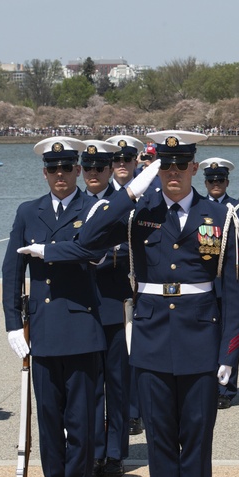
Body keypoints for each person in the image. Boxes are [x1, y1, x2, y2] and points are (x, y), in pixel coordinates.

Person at [79, 130, 239, 477]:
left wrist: (229, 355)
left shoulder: (221, 216)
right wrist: (130, 191)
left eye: (180, 165)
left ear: (194, 167)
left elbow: (234, 292)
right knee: (159, 439)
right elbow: (89, 236)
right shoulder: (141, 213)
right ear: (157, 169)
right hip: (153, 339)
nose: (173, 173)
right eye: (165, 166)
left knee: (194, 438)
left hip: (200, 339)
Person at [4, 137, 107, 477]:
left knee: (79, 415)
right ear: (44, 172)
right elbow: (12, 270)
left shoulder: (94, 207)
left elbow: (98, 252)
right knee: (48, 415)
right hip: (43, 327)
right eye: (53, 169)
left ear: (78, 171)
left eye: (67, 168)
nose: (60, 175)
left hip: (80, 324)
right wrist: (13, 323)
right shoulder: (28, 212)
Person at [82, 140, 131, 477]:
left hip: (114, 300)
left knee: (116, 382)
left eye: (100, 168)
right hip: (82, 304)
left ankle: (115, 451)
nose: (93, 174)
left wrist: (107, 252)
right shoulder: (77, 204)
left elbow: (135, 243)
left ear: (111, 168)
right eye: (88, 168)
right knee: (88, 383)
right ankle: (93, 449)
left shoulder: (124, 202)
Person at [200, 157, 239, 409]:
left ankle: (227, 388)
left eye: (220, 180)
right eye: (211, 180)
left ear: (227, 181)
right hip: (205, 281)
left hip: (232, 279)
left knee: (231, 330)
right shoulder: (197, 207)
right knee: (205, 334)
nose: (215, 184)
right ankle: (206, 385)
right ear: (205, 182)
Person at [105, 134, 150, 437]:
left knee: (140, 351)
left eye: (127, 159)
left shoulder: (150, 196)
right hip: (112, 285)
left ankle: (136, 411)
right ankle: (119, 414)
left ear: (136, 162)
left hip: (144, 284)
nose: (122, 164)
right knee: (117, 356)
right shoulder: (101, 197)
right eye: (117, 160)